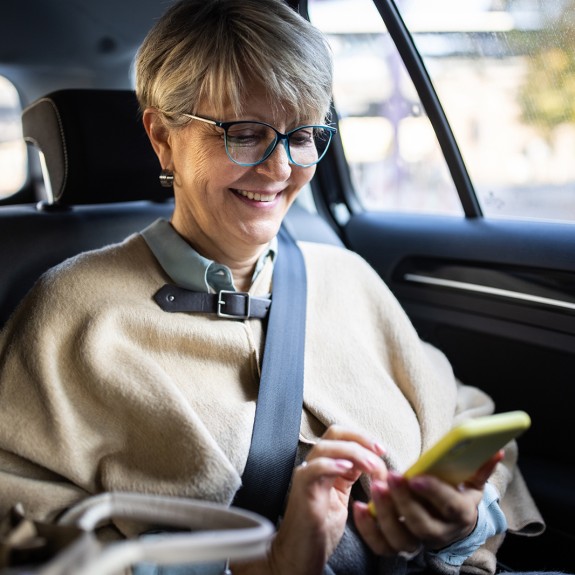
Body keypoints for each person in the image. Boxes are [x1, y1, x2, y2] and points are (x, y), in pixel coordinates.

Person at [0, 1, 550, 574]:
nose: (280, 168)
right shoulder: (72, 314)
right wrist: (258, 567)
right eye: (244, 133)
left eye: (304, 134)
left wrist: (466, 522)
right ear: (162, 136)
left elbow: (463, 421)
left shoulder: (346, 276)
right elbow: (22, 534)